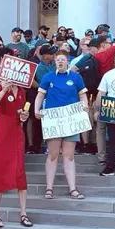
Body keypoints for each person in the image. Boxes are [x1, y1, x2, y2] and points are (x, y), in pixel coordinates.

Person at [34, 51, 90, 199]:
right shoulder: (48, 77)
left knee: (69, 155)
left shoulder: (76, 77)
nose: (60, 62)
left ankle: (72, 188)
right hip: (53, 120)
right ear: (54, 61)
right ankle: (49, 188)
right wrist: (36, 110)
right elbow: (40, 95)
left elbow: (82, 95)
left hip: (71, 119)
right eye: (58, 59)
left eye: (63, 60)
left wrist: (85, 106)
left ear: (68, 62)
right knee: (52, 155)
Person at [0, 78, 32, 228]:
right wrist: (3, 90)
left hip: (17, 132)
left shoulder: (21, 91)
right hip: (3, 133)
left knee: (20, 171)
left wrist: (23, 117)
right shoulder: (0, 87)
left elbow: (21, 112)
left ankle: (23, 213)